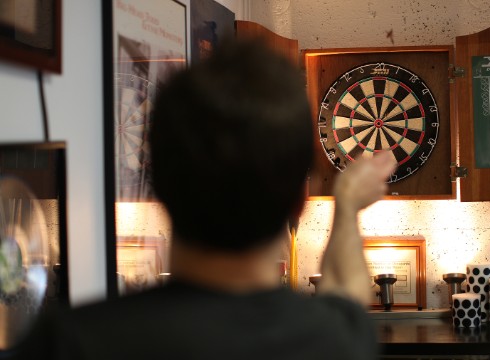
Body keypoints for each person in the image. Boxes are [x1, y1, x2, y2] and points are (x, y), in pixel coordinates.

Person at [13, 39, 397, 359]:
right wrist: (346, 205)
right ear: (299, 201)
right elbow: (347, 289)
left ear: (158, 187)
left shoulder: (67, 343)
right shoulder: (336, 341)